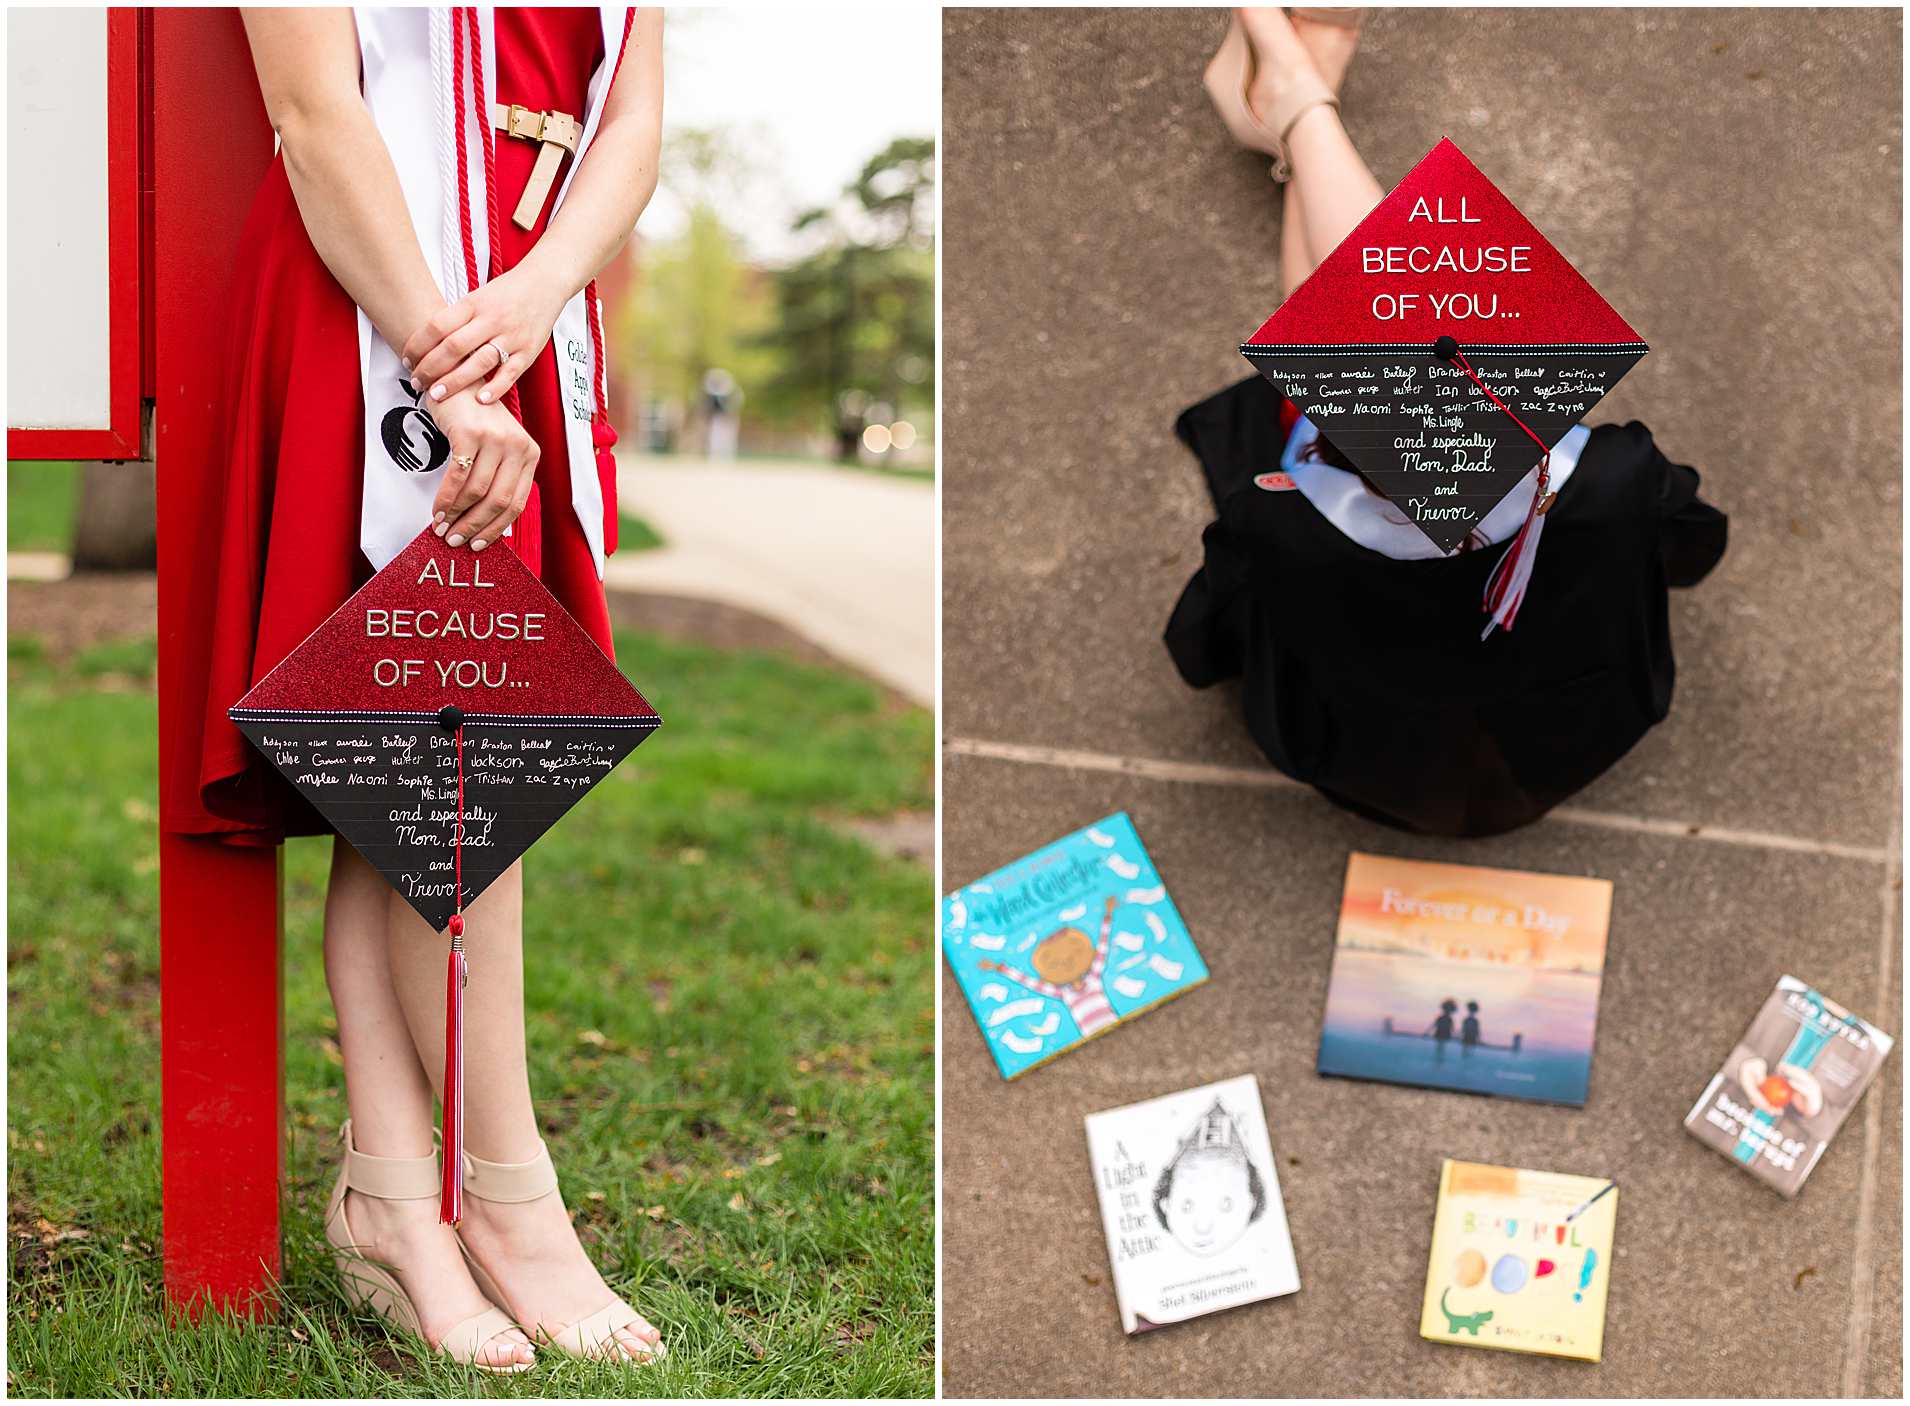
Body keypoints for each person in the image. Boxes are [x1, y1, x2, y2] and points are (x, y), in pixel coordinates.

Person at [166, 8, 666, 1369]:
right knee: (445, 745)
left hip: (514, 319)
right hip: (365, 310)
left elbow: (625, 122)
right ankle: (508, 1199)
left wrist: (535, 293)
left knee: (414, 753)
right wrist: (445, 363)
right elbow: (318, 111)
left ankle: (393, 1190)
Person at [1167, 9, 1728, 838]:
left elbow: (1205, 644)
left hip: (1362, 757)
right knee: (1404, 352)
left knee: (1382, 353)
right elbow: (1691, 547)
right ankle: (1296, 110)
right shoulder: (1617, 479)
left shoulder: (1283, 520)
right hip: (1564, 733)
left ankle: (1298, 111)